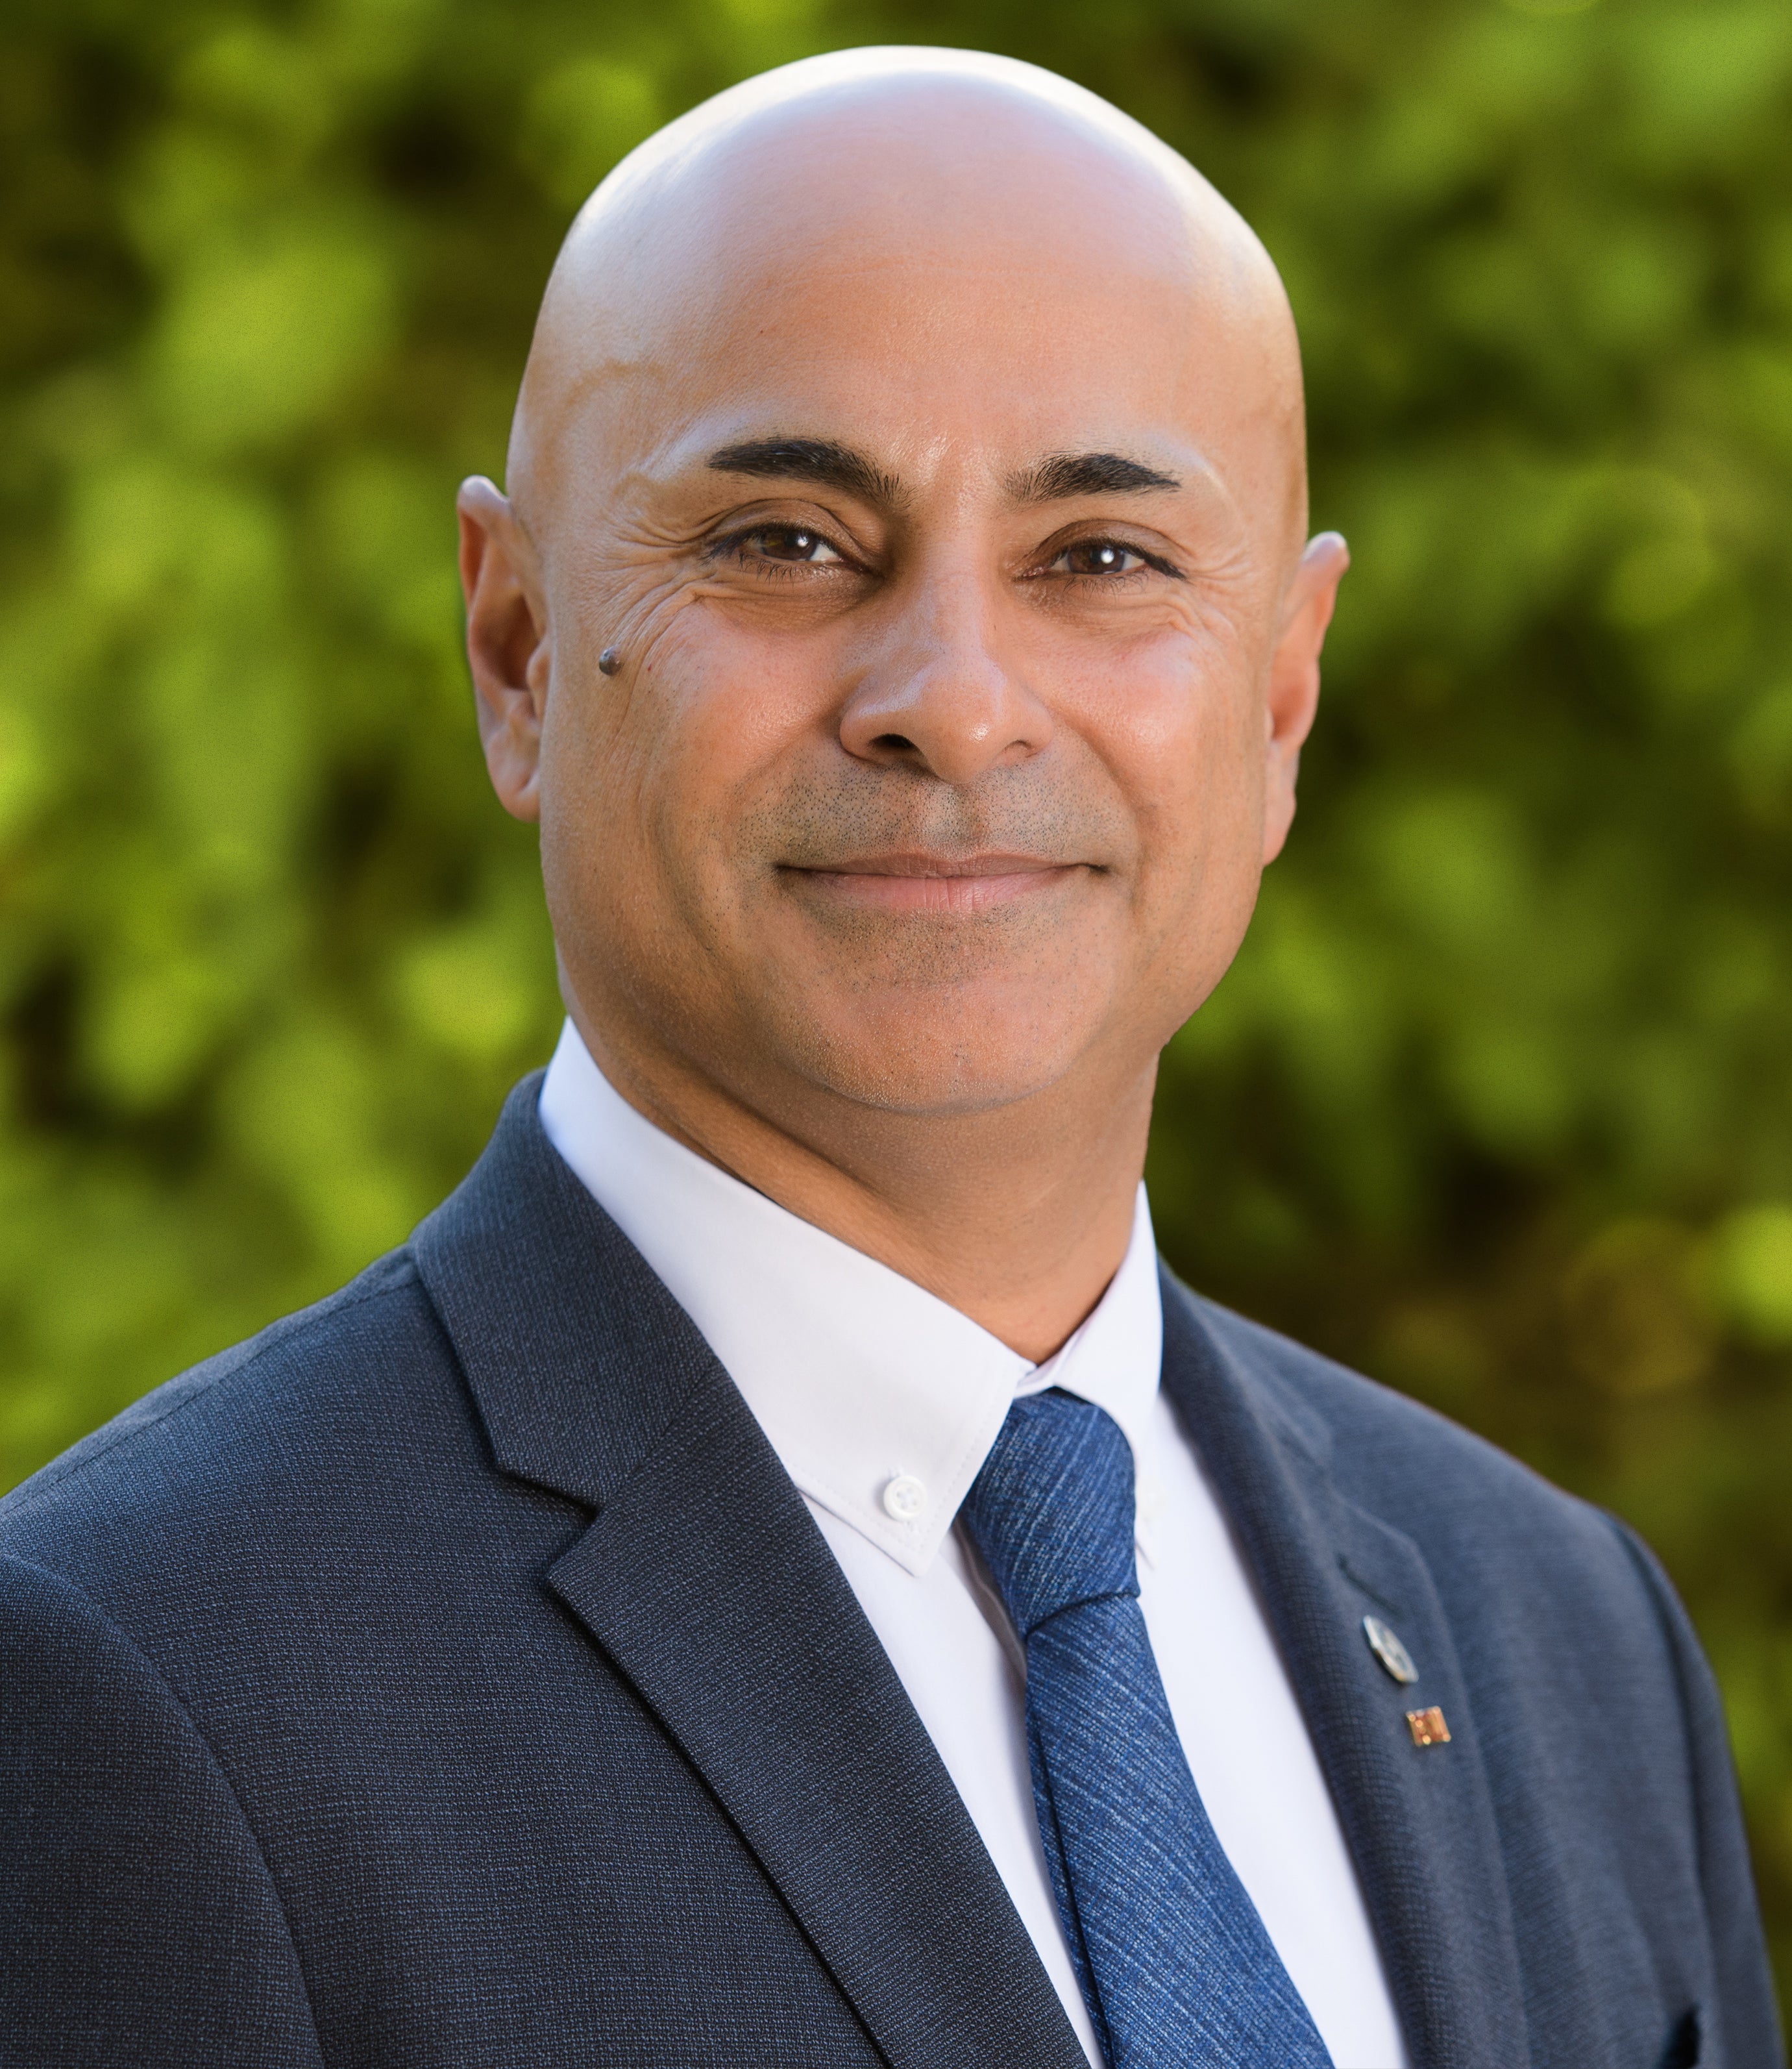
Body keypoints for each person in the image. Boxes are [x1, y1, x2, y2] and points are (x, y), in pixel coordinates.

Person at [0, 44, 1780, 2069]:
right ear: (513, 651)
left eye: (1100, 558)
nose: (951, 699)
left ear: (1280, 697)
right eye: (782, 539)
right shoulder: (136, 1683)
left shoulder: (1558, 1635)